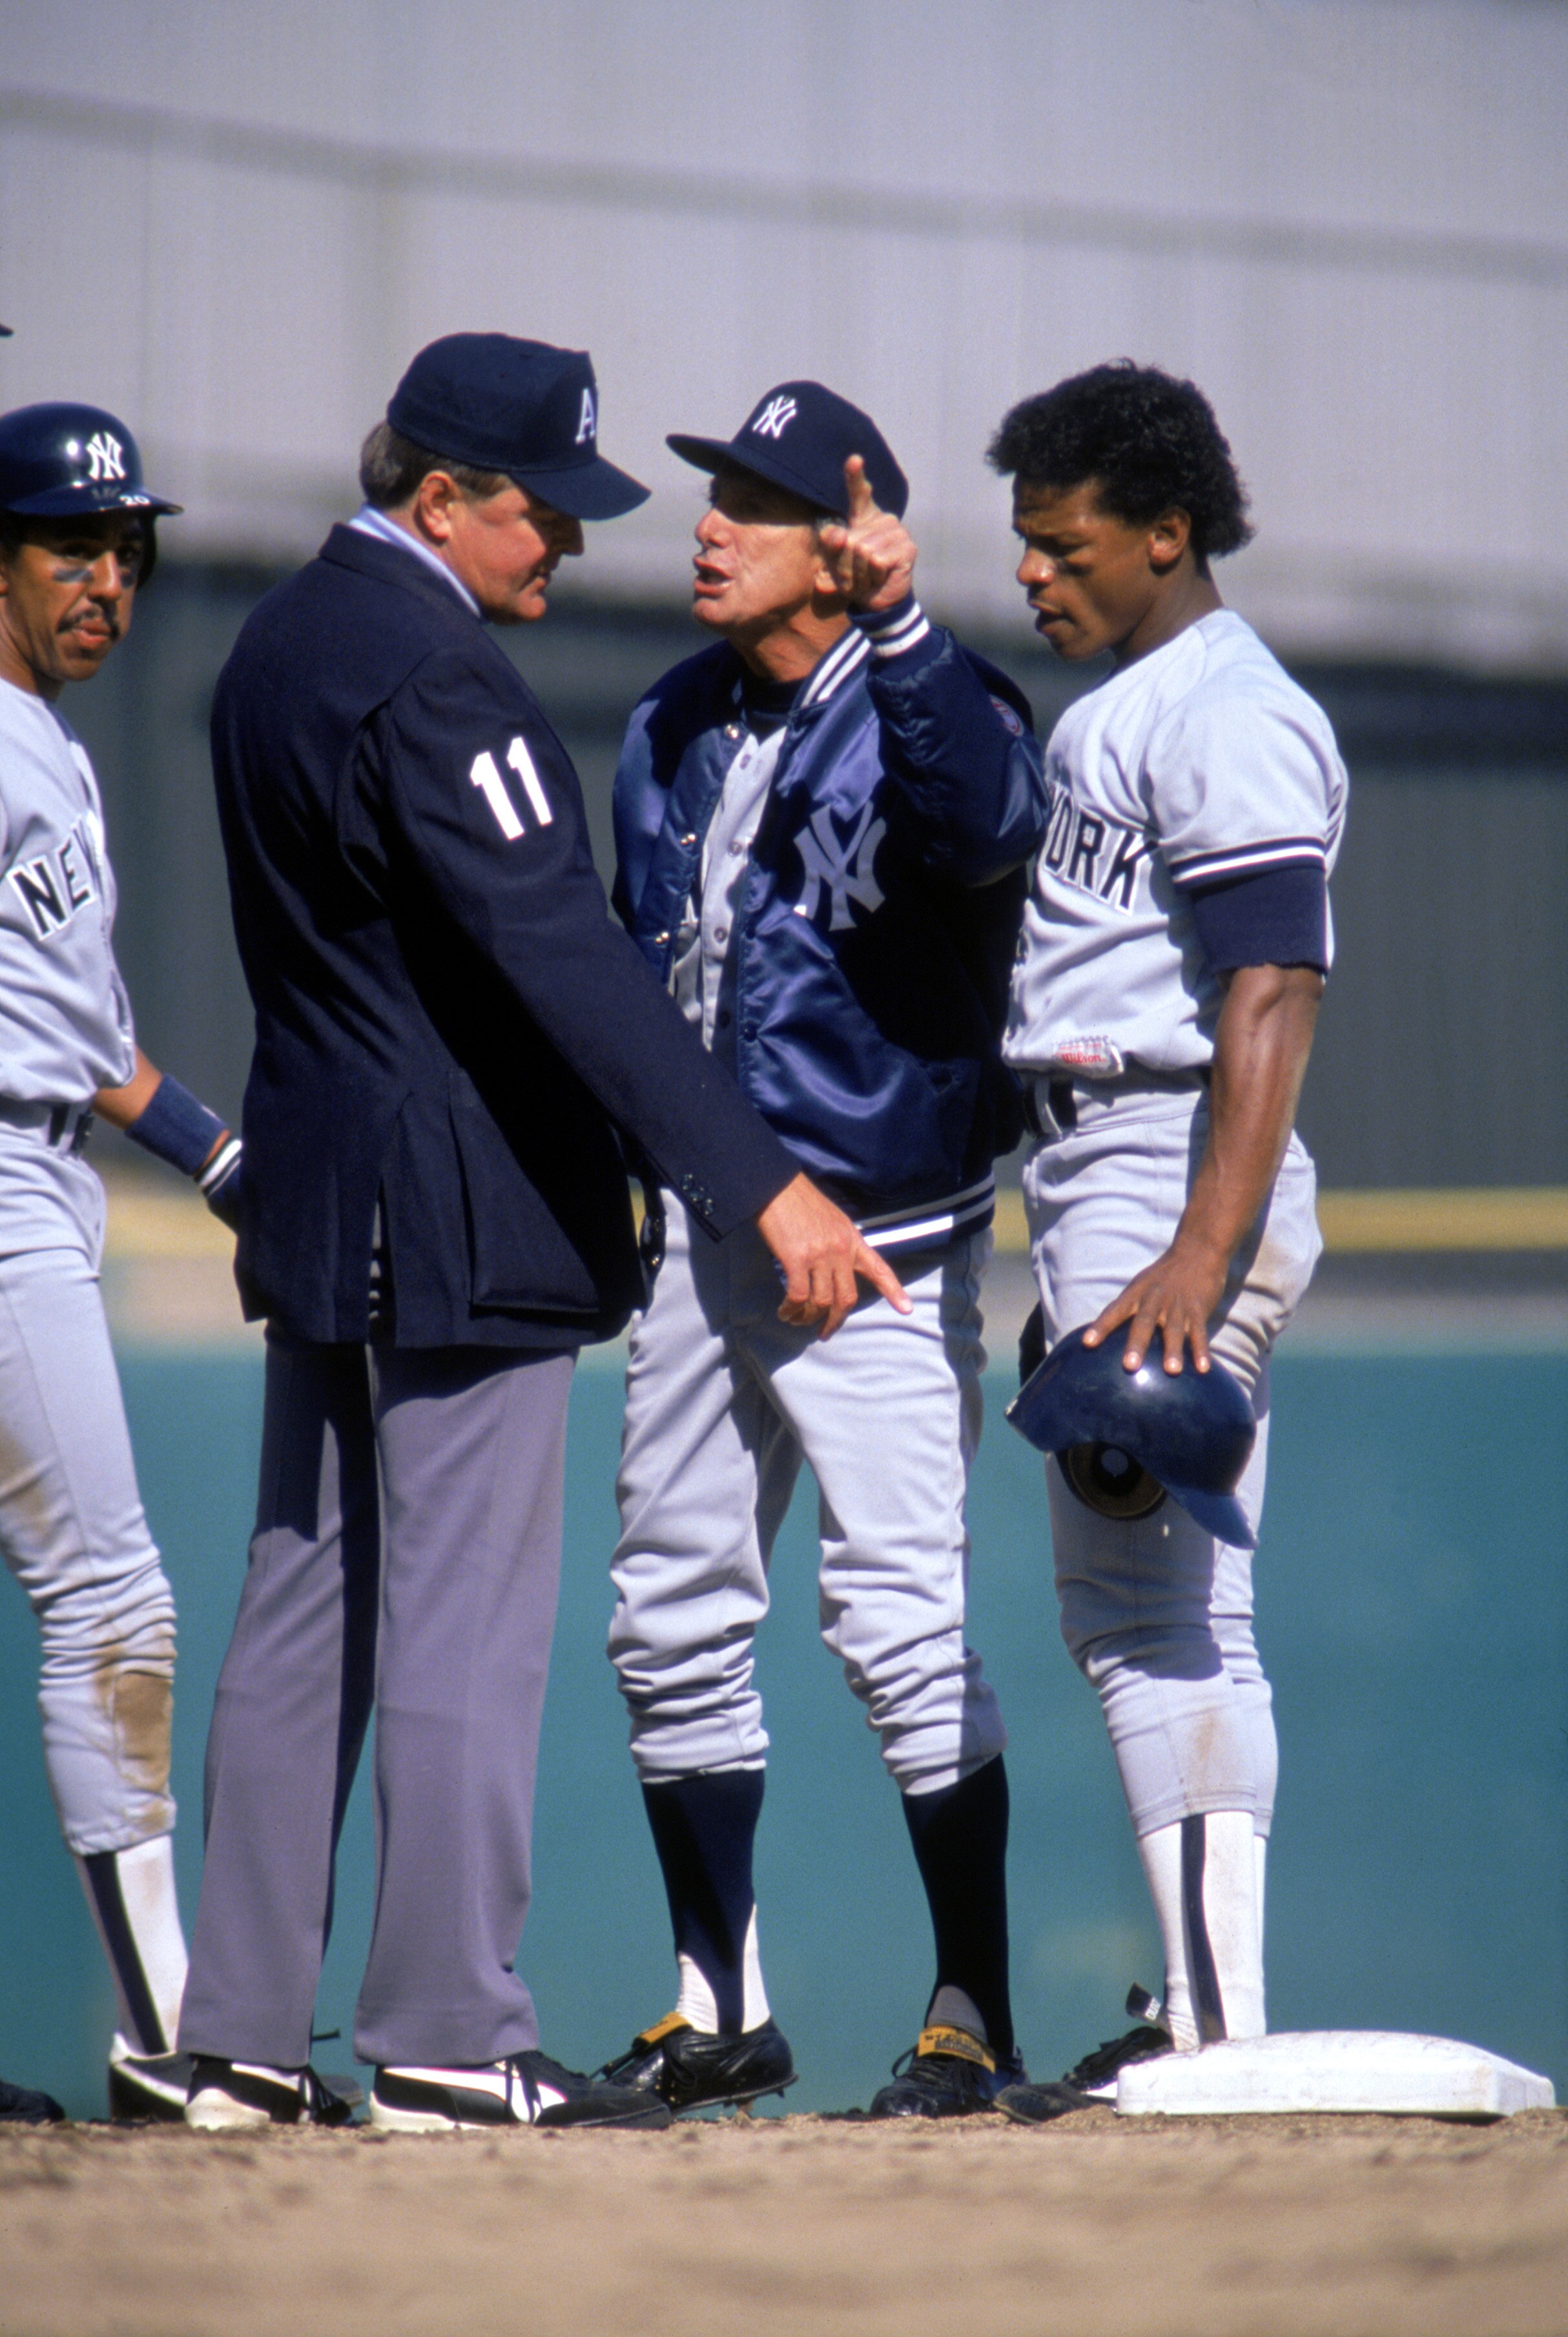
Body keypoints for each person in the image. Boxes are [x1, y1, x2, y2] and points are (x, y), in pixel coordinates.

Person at [179, 335, 901, 2135]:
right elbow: (562, 956)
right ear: (440, 497)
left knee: (303, 1598)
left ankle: (239, 2030)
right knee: (464, 1624)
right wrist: (763, 1180)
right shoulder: (439, 672)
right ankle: (442, 2021)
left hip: (323, 1177)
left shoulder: (272, 643)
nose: (564, 552)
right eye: (539, 514)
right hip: (462, 1202)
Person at [595, 380, 1049, 2120]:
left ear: (840, 542)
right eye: (714, 493)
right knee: (668, 1614)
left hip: (882, 1238)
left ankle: (973, 2012)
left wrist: (904, 618)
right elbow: (643, 976)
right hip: (707, 1236)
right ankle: (717, 2001)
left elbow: (995, 828)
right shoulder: (673, 721)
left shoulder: (929, 697)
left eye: (755, 503)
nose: (708, 523)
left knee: (896, 1625)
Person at [978, 362, 1346, 2126]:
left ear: (1164, 533)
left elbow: (1270, 981)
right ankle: (1210, 2009)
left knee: (1153, 1605)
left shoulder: (1224, 708)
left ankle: (1215, 2030)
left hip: (1167, 1156)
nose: (1036, 574)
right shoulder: (1132, 702)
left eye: (1064, 544)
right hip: (1105, 1156)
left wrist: (1199, 1253)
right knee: (1158, 1607)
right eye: (1026, 544)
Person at [0, 400, 244, 2124]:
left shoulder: (52, 746)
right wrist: (218, 1148)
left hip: (45, 1172)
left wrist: (210, 1144)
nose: (109, 579)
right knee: (113, 1598)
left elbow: (84, 1028)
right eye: (69, 545)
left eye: (130, 549)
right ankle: (172, 2042)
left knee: (101, 1596)